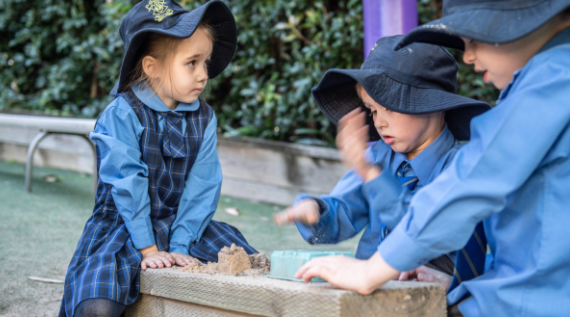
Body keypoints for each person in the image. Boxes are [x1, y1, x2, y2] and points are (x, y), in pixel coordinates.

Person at [295, 1, 570, 316]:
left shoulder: (552, 80)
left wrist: (371, 270)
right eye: (372, 110)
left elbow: (467, 190)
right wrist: (316, 210)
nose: (467, 55)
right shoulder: (542, 77)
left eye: (475, 37)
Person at [59, 1, 257, 316]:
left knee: (250, 266)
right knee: (96, 307)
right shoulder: (122, 113)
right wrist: (148, 250)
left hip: (185, 225)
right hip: (123, 227)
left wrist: (179, 248)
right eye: (192, 63)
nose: (204, 74)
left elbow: (202, 187)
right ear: (151, 67)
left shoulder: (205, 117)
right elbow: (128, 184)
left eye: (205, 62)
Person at [274, 35, 490, 278]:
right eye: (373, 110)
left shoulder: (462, 166)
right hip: (365, 292)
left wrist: (371, 174)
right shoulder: (376, 156)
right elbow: (344, 210)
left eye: (390, 107)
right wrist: (315, 210)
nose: (379, 122)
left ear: (434, 104)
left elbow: (423, 229)